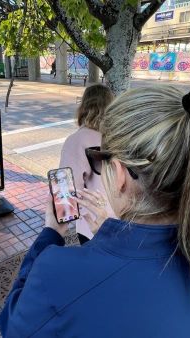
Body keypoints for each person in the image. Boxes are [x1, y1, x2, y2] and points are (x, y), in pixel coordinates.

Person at [0, 82, 190, 337]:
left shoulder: (57, 274)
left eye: (100, 160)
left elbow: (13, 325)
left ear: (119, 173)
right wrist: (113, 235)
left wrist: (50, 232)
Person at [59, 84, 114, 244]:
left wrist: (58, 225)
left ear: (84, 107)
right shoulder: (118, 136)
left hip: (92, 221)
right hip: (121, 217)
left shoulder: (77, 140)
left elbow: (67, 185)